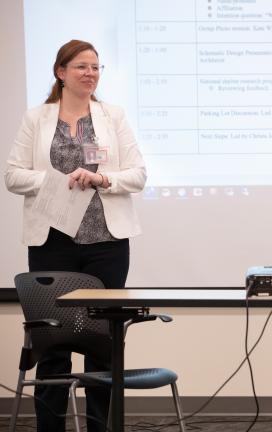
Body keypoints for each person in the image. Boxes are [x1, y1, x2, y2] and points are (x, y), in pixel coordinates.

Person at [5, 39, 146, 432]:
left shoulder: (112, 116)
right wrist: (54, 180)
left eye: (96, 67)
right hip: (53, 243)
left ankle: (101, 427)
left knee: (102, 345)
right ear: (61, 72)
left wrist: (102, 178)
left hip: (107, 245)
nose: (90, 73)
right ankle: (52, 428)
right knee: (54, 345)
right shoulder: (37, 118)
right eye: (81, 66)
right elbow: (12, 175)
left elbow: (138, 174)